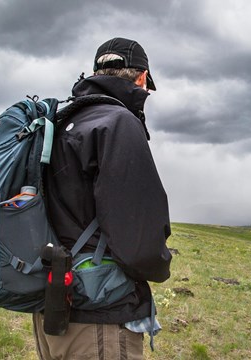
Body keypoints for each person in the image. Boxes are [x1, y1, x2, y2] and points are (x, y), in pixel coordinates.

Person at [32, 37, 172, 359]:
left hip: (52, 305)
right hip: (98, 317)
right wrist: (161, 265)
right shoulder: (119, 123)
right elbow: (139, 241)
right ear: (141, 78)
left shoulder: (66, 120)